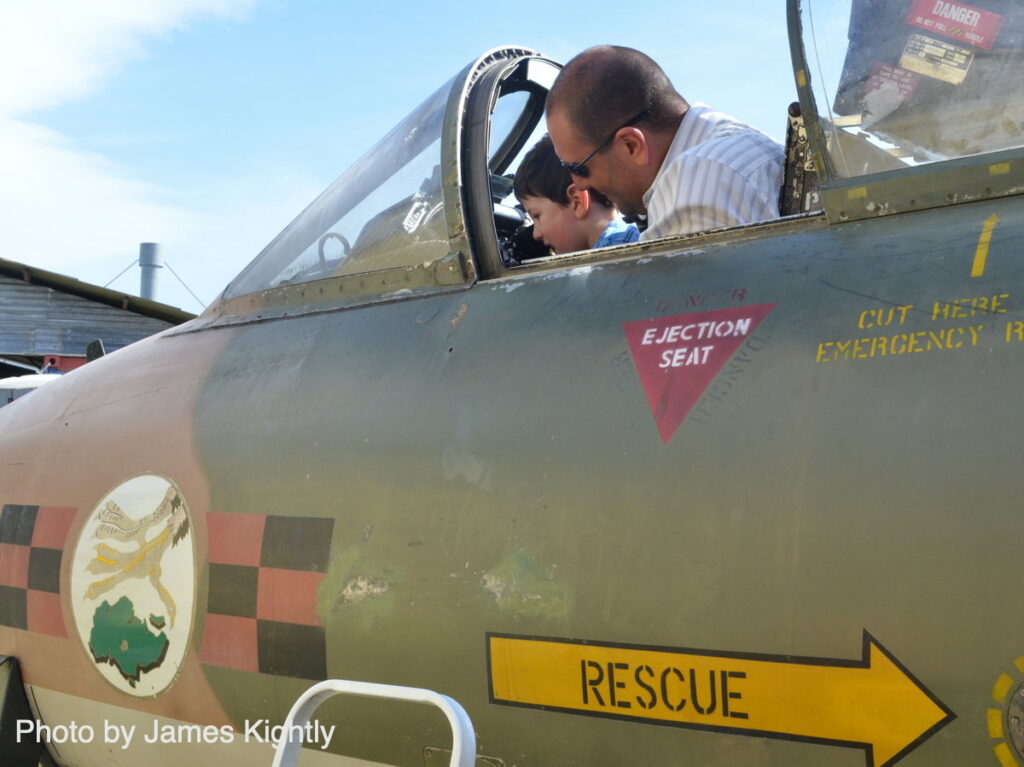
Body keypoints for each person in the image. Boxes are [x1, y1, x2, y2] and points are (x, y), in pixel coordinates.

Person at [545, 45, 784, 241]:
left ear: (631, 145)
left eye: (579, 168)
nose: (579, 184)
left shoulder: (699, 184)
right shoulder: (719, 154)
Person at [513, 135, 639, 255]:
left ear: (577, 201)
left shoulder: (614, 260)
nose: (536, 234)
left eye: (537, 216)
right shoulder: (635, 240)